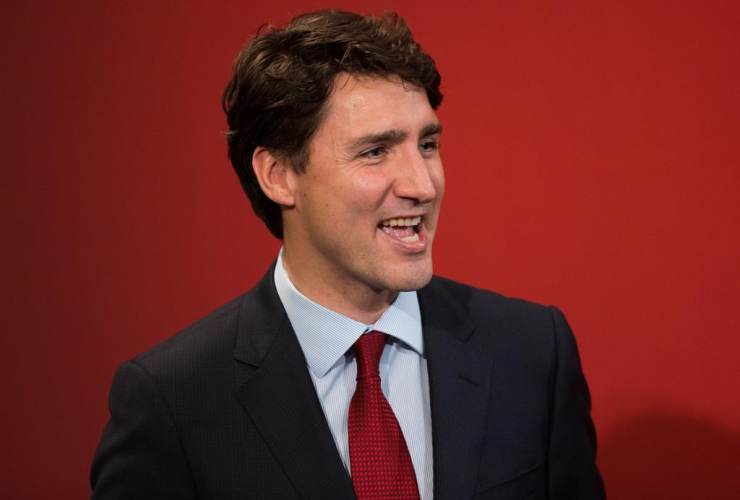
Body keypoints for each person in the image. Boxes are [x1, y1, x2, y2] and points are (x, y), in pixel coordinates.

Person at [90, 9, 605, 500]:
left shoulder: (533, 352)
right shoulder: (173, 401)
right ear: (279, 175)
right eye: (375, 151)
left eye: (427, 145)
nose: (423, 185)